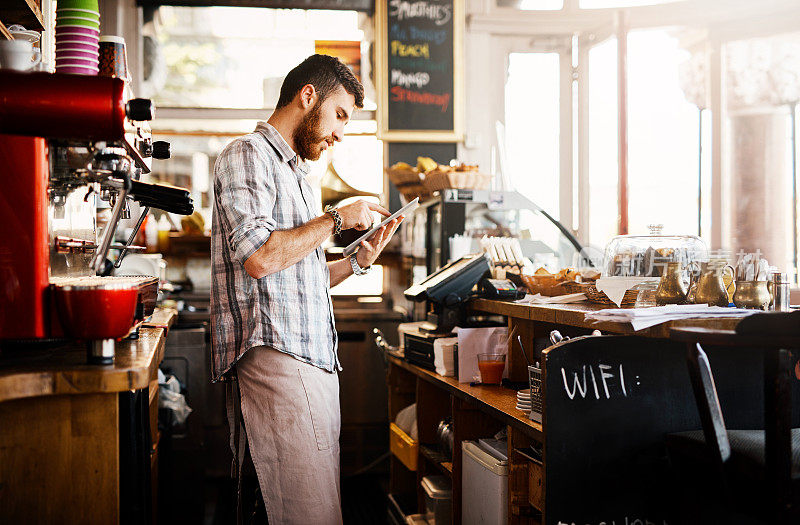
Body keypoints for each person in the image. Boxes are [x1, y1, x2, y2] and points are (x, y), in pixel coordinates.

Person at [210, 54, 402, 524]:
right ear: (308, 96)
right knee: (306, 514)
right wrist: (337, 218)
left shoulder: (298, 176)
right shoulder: (248, 155)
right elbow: (259, 257)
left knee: (310, 508)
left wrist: (357, 259)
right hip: (278, 358)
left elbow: (301, 275)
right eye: (340, 115)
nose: (340, 133)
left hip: (311, 362)